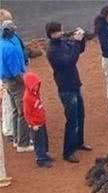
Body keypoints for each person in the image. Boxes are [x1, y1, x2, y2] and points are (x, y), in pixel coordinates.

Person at [46, 22, 92, 164]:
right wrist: (77, 43)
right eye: (59, 31)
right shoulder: (52, 50)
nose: (62, 33)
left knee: (80, 116)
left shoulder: (62, 43)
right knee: (72, 121)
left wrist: (81, 40)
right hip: (66, 88)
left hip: (74, 84)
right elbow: (69, 61)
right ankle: (68, 152)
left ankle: (79, 143)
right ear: (52, 34)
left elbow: (79, 51)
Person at [0, 15, 32, 152]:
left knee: (15, 110)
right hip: (15, 81)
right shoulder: (9, 49)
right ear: (9, 31)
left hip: (8, 80)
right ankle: (23, 144)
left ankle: (16, 138)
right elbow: (15, 73)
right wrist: (26, 83)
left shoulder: (5, 41)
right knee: (23, 112)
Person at [23, 72, 54, 168]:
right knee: (38, 142)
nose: (36, 86)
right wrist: (32, 124)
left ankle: (44, 154)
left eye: (37, 85)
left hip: (41, 122)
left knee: (44, 139)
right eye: (34, 85)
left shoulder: (35, 94)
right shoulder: (27, 98)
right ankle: (40, 159)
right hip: (36, 125)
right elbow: (27, 114)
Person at [0, 10, 14, 141]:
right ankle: (9, 129)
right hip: (5, 75)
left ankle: (9, 128)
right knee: (8, 102)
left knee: (8, 102)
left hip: (4, 75)